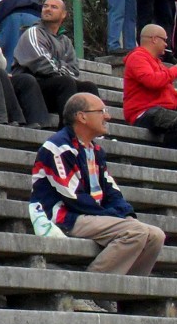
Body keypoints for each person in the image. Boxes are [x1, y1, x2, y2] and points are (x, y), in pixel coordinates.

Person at [30, 93, 165, 275]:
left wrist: (125, 214)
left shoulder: (95, 150)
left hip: (91, 215)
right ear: (82, 116)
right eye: (101, 111)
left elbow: (111, 191)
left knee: (156, 236)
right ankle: (90, 287)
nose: (107, 116)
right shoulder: (58, 148)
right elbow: (74, 198)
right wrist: (113, 217)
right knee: (136, 232)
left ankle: (127, 290)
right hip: (64, 217)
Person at [12, 0, 100, 117]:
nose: (48, 9)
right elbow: (41, 64)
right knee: (65, 82)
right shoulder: (33, 32)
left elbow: (74, 70)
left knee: (89, 88)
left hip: (55, 86)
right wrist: (62, 66)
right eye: (45, 6)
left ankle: (93, 125)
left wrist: (56, 64)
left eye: (54, 7)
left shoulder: (65, 41)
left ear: (63, 14)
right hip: (33, 88)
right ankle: (67, 126)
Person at [123, 25, 177, 147]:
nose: (166, 44)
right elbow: (152, 81)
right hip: (144, 112)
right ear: (154, 39)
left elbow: (166, 92)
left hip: (161, 109)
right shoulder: (137, 57)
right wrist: (176, 70)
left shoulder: (157, 62)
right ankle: (169, 156)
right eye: (164, 40)